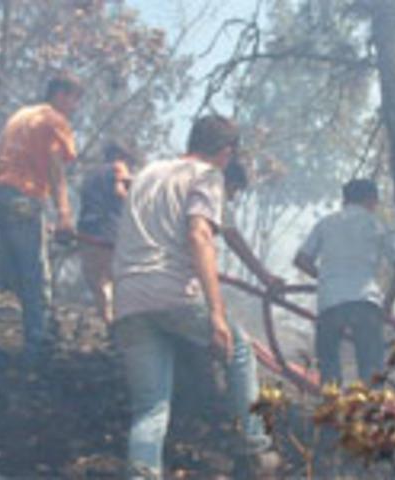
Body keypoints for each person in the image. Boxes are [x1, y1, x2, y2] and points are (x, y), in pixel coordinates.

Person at [112, 115, 275, 478]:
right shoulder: (208, 176)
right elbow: (200, 235)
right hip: (173, 293)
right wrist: (217, 314)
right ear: (226, 152)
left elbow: (227, 229)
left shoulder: (151, 172)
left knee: (150, 407)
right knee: (241, 350)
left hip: (127, 298)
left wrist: (265, 276)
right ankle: (256, 446)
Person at [0, 74, 82, 362]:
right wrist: (64, 213)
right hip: (23, 197)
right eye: (75, 99)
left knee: (13, 272)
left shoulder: (21, 115)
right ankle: (37, 346)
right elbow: (55, 166)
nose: (75, 107)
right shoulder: (53, 119)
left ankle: (21, 325)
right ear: (62, 95)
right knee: (35, 274)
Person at [293, 179, 395, 387]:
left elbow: (301, 260)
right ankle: (371, 414)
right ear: (371, 200)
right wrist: (388, 302)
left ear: (345, 199)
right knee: (371, 371)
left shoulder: (326, 223)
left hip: (330, 304)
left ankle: (334, 413)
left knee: (329, 370)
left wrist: (326, 279)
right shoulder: (377, 225)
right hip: (366, 302)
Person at [76, 141, 137, 324]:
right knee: (119, 283)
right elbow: (120, 192)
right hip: (110, 234)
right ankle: (120, 327)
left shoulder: (90, 176)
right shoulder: (118, 167)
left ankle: (109, 324)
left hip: (87, 234)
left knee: (100, 285)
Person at [221, 160, 284, 292]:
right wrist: (265, 276)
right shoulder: (215, 200)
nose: (232, 197)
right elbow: (233, 238)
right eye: (234, 188)